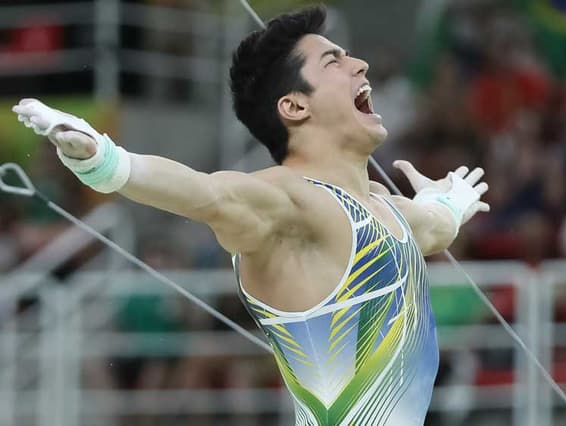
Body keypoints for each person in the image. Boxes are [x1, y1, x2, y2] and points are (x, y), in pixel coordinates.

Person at [12, 6, 489, 425]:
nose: (359, 63)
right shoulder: (289, 201)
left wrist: (448, 203)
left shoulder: (386, 207)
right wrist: (108, 162)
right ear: (295, 105)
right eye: (333, 61)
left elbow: (429, 228)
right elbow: (209, 194)